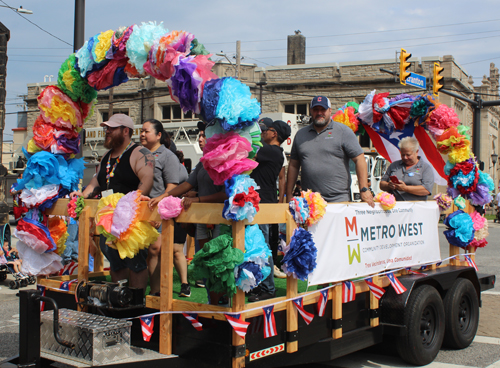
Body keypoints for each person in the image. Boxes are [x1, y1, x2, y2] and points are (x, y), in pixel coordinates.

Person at [71, 113, 154, 291]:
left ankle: (136, 304)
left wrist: (134, 200)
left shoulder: (139, 153)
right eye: (106, 128)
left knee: (136, 264)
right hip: (108, 223)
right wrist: (80, 196)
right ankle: (120, 301)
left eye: (111, 128)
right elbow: (95, 184)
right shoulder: (106, 157)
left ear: (125, 131)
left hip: (131, 223)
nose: (106, 131)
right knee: (116, 264)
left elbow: (146, 180)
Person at [286, 96, 374, 207]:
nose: (319, 113)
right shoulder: (300, 134)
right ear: (311, 111)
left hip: (338, 201)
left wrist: (364, 189)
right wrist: (289, 194)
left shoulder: (343, 131)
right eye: (316, 110)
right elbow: (293, 165)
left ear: (330, 110)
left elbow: (359, 158)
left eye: (323, 109)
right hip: (310, 202)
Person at [140, 119, 190, 297]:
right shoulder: (138, 154)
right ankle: (146, 291)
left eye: (146, 131)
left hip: (159, 211)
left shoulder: (168, 156)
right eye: (141, 131)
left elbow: (173, 187)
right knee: (142, 252)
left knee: (156, 250)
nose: (142, 134)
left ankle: (157, 292)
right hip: (140, 210)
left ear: (159, 135)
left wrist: (158, 201)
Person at [248, 118, 291, 302]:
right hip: (262, 201)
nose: (263, 132)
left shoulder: (271, 151)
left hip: (262, 203)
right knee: (256, 244)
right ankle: (258, 285)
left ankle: (268, 287)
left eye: (267, 129)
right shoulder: (274, 152)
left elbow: (249, 153)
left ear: (275, 134)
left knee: (262, 246)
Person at [380, 137, 433, 201]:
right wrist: (388, 185)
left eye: (408, 155)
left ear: (416, 151)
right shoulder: (394, 165)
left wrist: (405, 188)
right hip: (394, 207)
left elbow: (427, 190)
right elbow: (382, 184)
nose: (405, 157)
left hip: (415, 208)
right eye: (403, 155)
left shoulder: (425, 168)